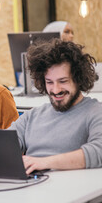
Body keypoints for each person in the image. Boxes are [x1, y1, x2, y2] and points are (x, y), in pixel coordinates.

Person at [9, 39, 102, 174]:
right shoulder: (32, 116)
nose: (56, 89)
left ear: (78, 79)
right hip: (31, 187)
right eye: (49, 82)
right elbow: (4, 144)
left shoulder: (95, 112)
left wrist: (44, 162)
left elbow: (99, 151)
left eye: (63, 81)